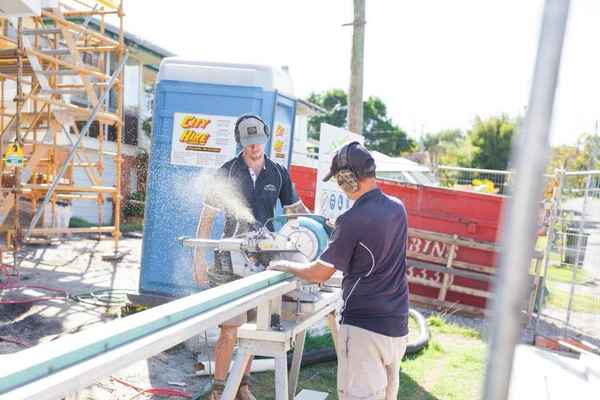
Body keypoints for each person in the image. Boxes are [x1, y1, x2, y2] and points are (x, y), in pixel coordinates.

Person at [269, 141, 410, 400]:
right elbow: (375, 249)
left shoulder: (352, 219)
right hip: (397, 323)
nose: (339, 185)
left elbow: (319, 273)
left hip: (364, 328)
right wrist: (343, 233)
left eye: (338, 179)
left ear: (348, 178)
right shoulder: (397, 207)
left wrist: (284, 264)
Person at [193, 114, 308, 400]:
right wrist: (199, 258)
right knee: (230, 328)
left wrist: (319, 223)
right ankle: (220, 391)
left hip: (263, 259)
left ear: (265, 139)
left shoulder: (279, 172)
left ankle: (242, 385)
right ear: (240, 142)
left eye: (257, 141)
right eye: (248, 142)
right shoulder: (228, 171)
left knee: (255, 329)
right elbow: (206, 219)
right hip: (228, 258)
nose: (254, 147)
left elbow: (296, 211)